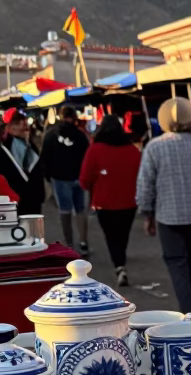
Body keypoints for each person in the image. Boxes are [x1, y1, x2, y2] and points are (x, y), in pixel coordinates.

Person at [136, 96, 191, 313]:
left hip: (168, 218)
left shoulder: (154, 148)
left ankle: (189, 310)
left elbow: (145, 185)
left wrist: (146, 214)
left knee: (177, 264)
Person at [78, 113, 141, 287]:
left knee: (111, 236)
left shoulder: (95, 149)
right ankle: (120, 261)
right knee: (123, 234)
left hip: (104, 202)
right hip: (129, 201)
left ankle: (119, 266)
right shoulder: (132, 149)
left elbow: (84, 178)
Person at [40, 104, 89, 250]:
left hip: (60, 178)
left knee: (65, 211)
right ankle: (84, 242)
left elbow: (45, 157)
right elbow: (87, 156)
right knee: (80, 210)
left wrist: (48, 176)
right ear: (74, 116)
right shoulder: (80, 135)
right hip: (78, 177)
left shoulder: (51, 134)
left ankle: (69, 244)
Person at [0, 110, 42, 215]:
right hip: (18, 203)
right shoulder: (6, 148)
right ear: (9, 128)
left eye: (24, 122)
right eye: (18, 123)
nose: (24, 126)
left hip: (32, 200)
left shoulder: (29, 145)